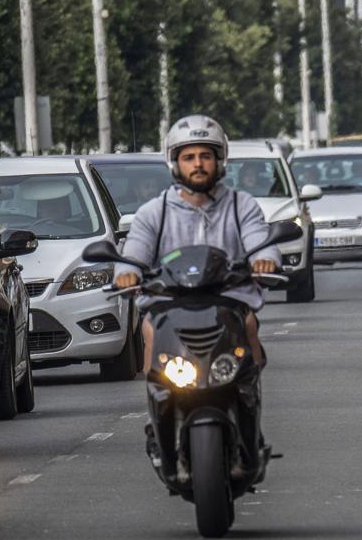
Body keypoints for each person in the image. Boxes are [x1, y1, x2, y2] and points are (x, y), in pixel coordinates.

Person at [114, 115, 281, 374]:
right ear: (175, 163)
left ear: (219, 160)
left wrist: (265, 259)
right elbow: (136, 251)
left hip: (227, 300)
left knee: (248, 324)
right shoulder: (153, 212)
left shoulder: (241, 205)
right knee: (149, 329)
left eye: (206, 156)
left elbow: (260, 240)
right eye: (189, 158)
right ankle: (158, 406)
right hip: (169, 304)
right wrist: (127, 274)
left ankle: (248, 396)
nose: (198, 164)